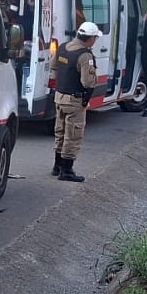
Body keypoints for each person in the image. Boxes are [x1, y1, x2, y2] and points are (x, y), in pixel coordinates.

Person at [51, 21, 101, 182]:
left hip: (59, 97)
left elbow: (54, 66)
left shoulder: (63, 47)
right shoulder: (85, 56)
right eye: (95, 38)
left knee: (60, 132)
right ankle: (66, 170)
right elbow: (88, 82)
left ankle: (57, 166)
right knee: (73, 135)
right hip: (74, 100)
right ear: (90, 38)